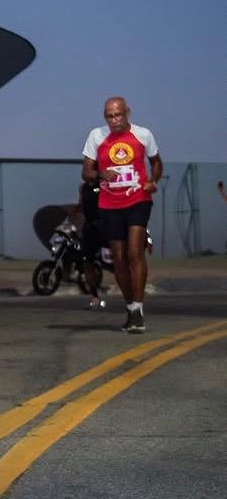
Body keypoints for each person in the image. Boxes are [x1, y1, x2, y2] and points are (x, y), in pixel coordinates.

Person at [82, 97, 162, 333]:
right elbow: (86, 171)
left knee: (134, 252)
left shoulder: (143, 134)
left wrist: (152, 181)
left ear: (127, 112)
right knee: (118, 258)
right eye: (109, 116)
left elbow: (156, 162)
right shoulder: (96, 136)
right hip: (109, 203)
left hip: (138, 199)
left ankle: (138, 309)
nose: (114, 120)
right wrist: (99, 174)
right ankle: (130, 306)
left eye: (118, 114)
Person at [76, 181, 106, 309]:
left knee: (118, 260)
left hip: (106, 226)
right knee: (87, 263)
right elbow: (81, 206)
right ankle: (94, 296)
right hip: (89, 228)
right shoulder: (83, 187)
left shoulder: (105, 185)